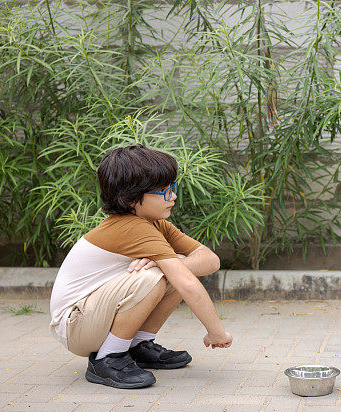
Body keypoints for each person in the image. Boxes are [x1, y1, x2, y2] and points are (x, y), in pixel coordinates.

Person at [49, 144, 233, 389]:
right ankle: (108, 358)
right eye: (164, 191)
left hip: (92, 318)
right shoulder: (131, 227)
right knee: (159, 275)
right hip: (75, 325)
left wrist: (168, 262)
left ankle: (137, 346)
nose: (173, 196)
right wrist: (217, 332)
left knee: (173, 268)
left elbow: (210, 260)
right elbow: (187, 284)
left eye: (172, 188)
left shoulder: (154, 223)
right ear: (131, 199)